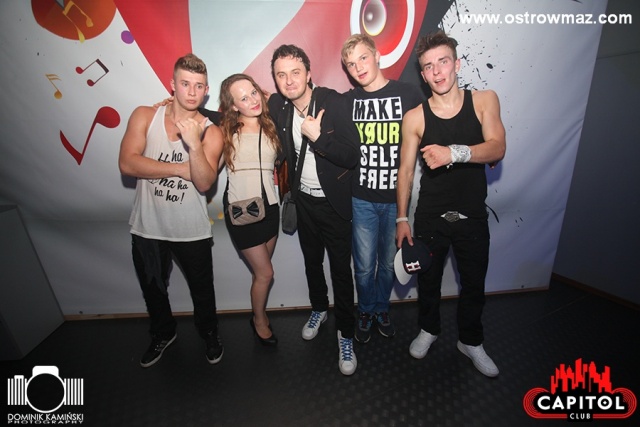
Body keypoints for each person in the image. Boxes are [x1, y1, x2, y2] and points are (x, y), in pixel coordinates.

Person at [396, 31, 506, 377]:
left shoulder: (484, 100)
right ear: (423, 74)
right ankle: (429, 329)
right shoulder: (415, 117)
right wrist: (401, 218)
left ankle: (470, 341)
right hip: (431, 215)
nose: (437, 71)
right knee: (427, 282)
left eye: (443, 62)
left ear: (456, 64)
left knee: (473, 283)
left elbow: (497, 147)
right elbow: (405, 171)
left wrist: (453, 153)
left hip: (471, 212)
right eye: (429, 66)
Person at [119, 53, 224, 368]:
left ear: (206, 90)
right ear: (172, 85)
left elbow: (204, 182)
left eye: (199, 86)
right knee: (153, 290)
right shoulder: (145, 115)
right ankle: (163, 333)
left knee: (202, 291)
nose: (192, 92)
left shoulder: (211, 131)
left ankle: (209, 333)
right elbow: (127, 163)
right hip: (148, 226)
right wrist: (180, 169)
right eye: (185, 83)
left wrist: (194, 145)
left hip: (191, 228)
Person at [268, 44, 360, 375]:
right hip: (303, 201)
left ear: (309, 73)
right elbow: (237, 108)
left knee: (341, 271)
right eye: (281, 75)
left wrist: (319, 139)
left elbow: (352, 156)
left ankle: (345, 334)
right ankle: (319, 308)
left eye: (295, 72)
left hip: (333, 204)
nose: (289, 80)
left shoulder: (333, 102)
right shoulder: (279, 106)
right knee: (311, 262)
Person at [341, 34, 425, 343]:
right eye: (351, 64)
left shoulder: (409, 93)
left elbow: (434, 126)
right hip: (361, 198)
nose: (358, 68)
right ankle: (365, 310)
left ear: (377, 56)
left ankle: (381, 308)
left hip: (396, 201)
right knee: (364, 268)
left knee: (388, 266)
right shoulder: (347, 101)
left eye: (363, 58)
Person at [218, 73, 281, 346]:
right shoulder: (224, 131)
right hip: (242, 211)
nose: (252, 100)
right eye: (243, 98)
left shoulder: (272, 125)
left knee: (260, 274)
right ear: (233, 106)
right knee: (266, 274)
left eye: (253, 92)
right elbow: (209, 168)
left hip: (271, 208)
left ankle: (258, 312)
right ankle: (259, 320)